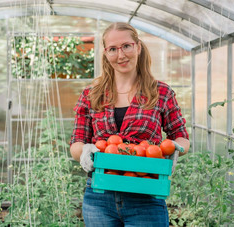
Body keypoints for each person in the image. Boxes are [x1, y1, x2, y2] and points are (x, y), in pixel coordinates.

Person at [70, 22, 190, 227]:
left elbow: (180, 135)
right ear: (106, 53)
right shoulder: (91, 95)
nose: (121, 55)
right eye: (113, 49)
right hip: (99, 197)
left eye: (126, 46)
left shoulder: (161, 93)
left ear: (138, 47)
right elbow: (76, 143)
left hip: (146, 197)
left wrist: (176, 148)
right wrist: (85, 150)